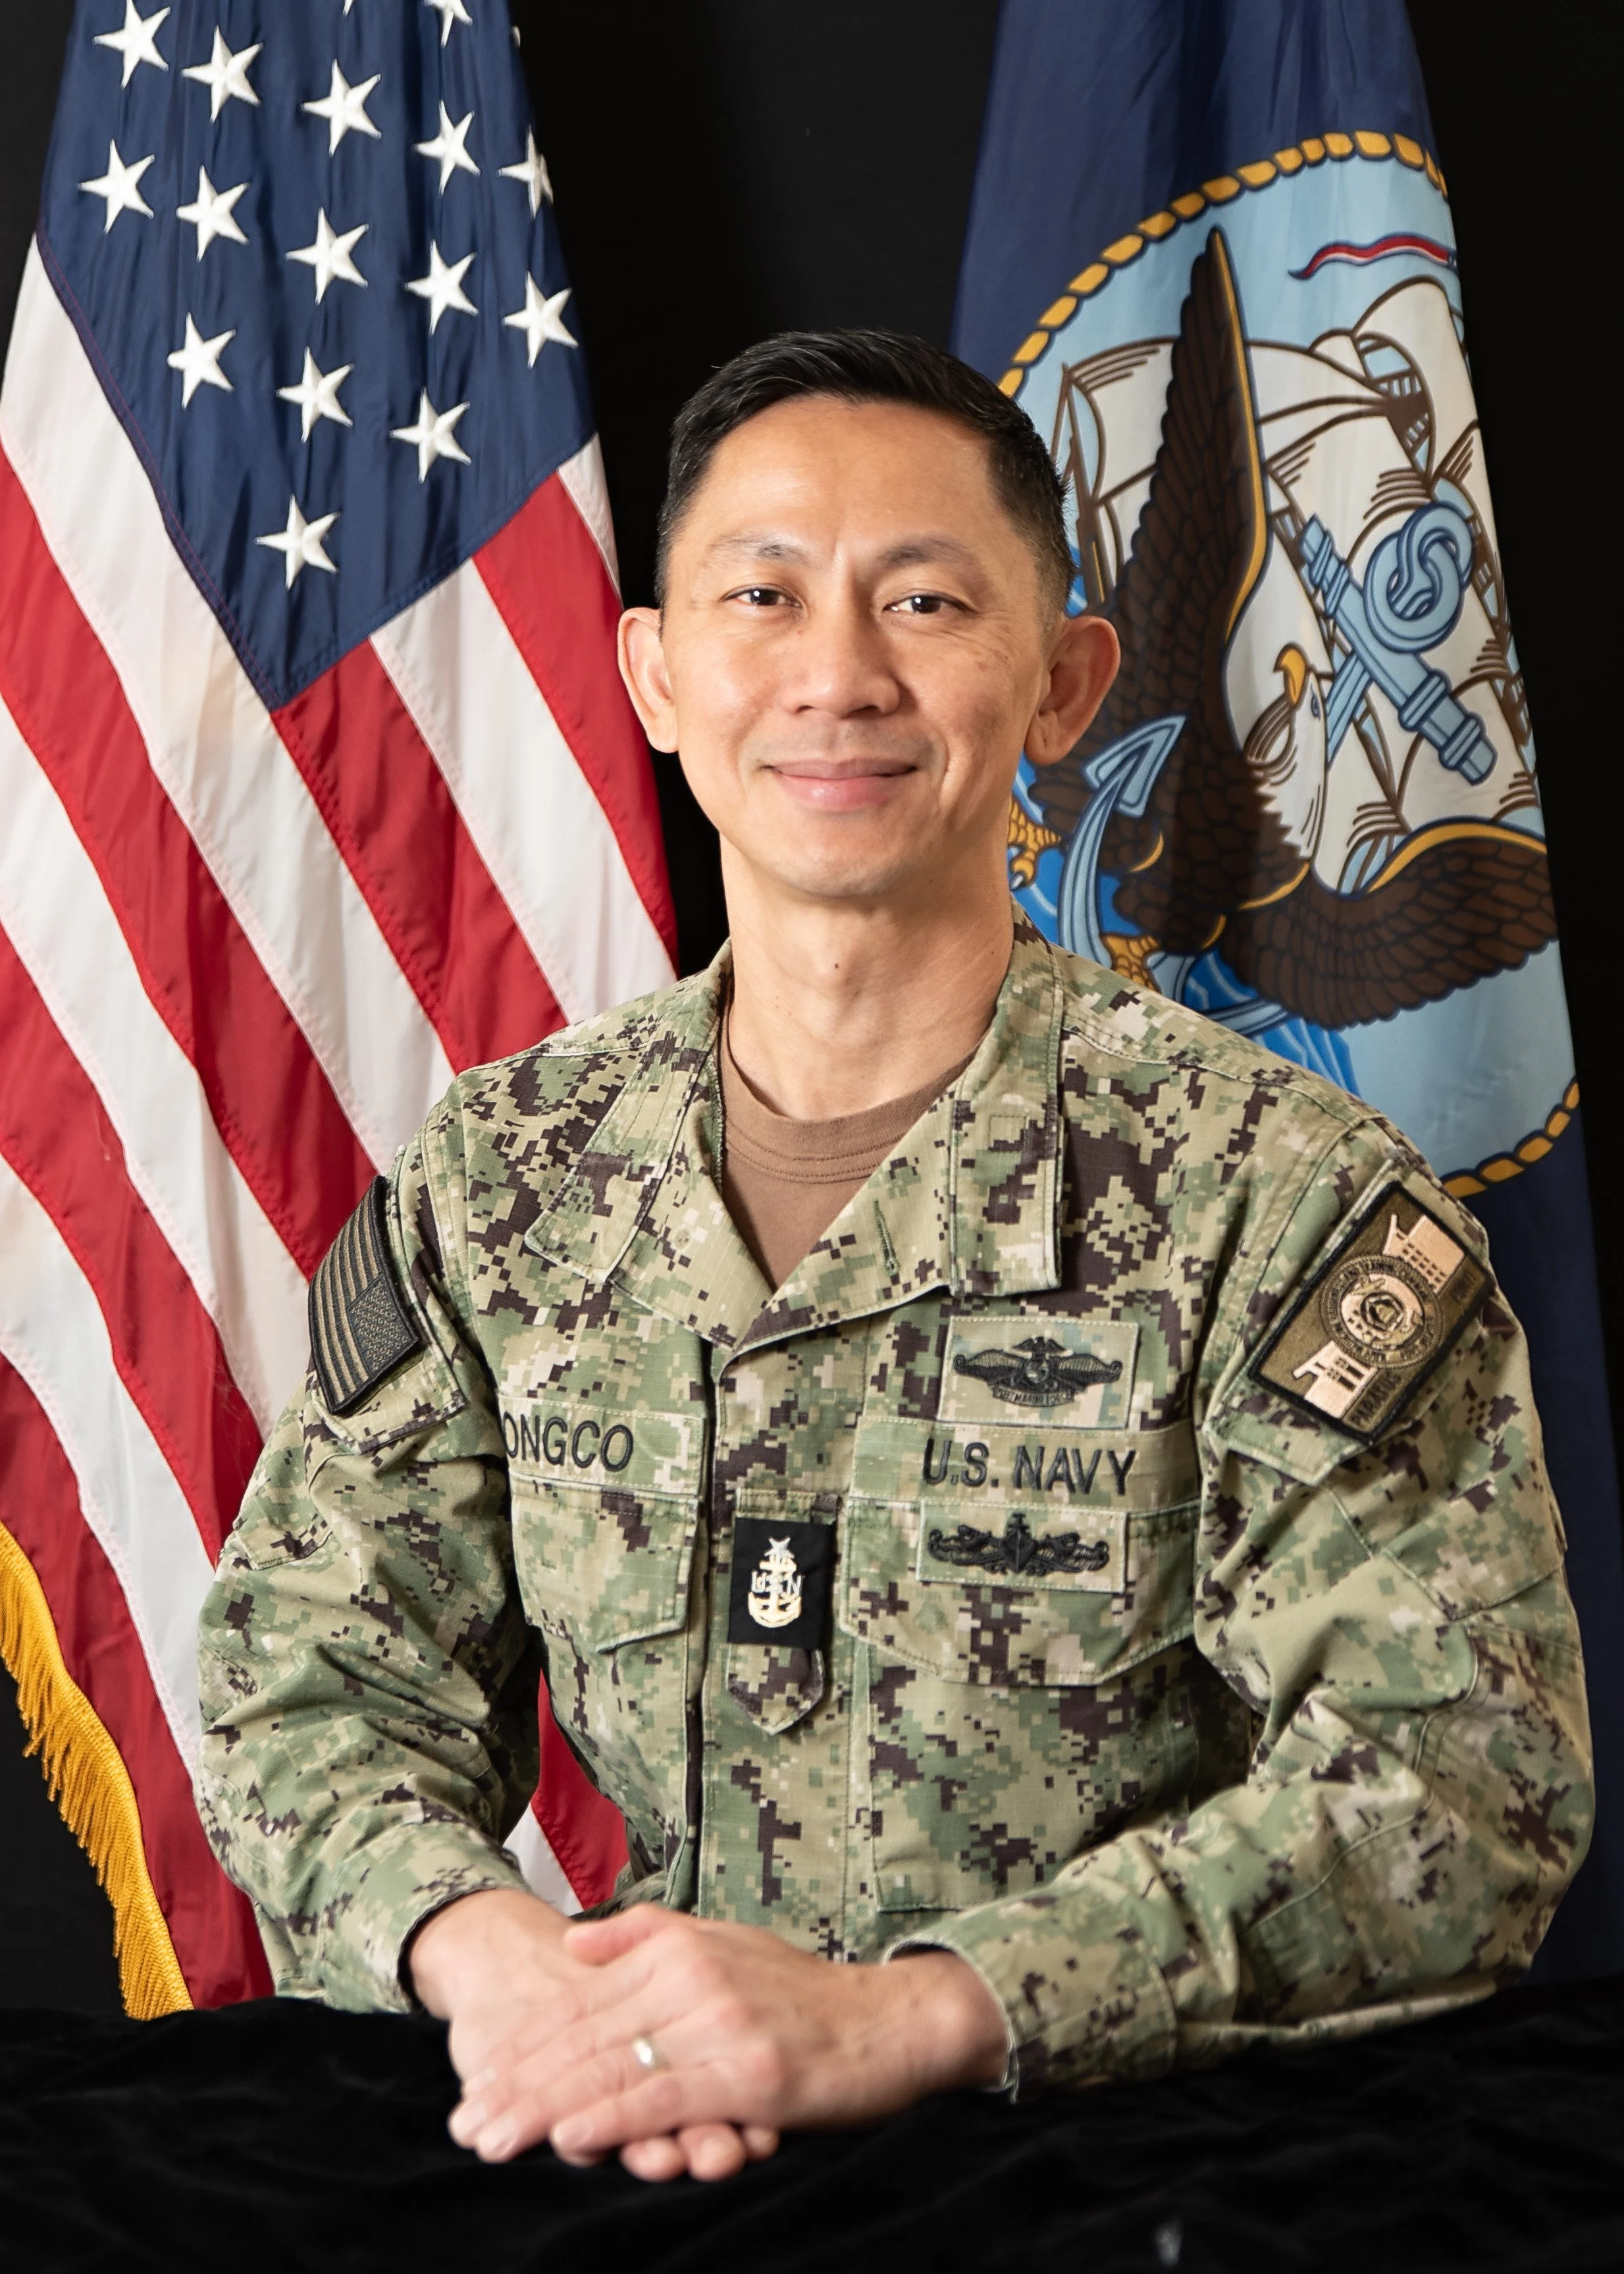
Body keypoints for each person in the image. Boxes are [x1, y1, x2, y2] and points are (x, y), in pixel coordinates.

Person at [196, 329, 1592, 2186]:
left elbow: (1462, 1779)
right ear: (657, 676)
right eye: (762, 597)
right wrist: (499, 1965)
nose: (837, 674)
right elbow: (311, 1672)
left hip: (1123, 2164)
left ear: (1062, 683)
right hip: (635, 2142)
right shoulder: (509, 1178)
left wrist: (920, 2014)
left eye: (925, 601)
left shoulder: (1280, 1203)